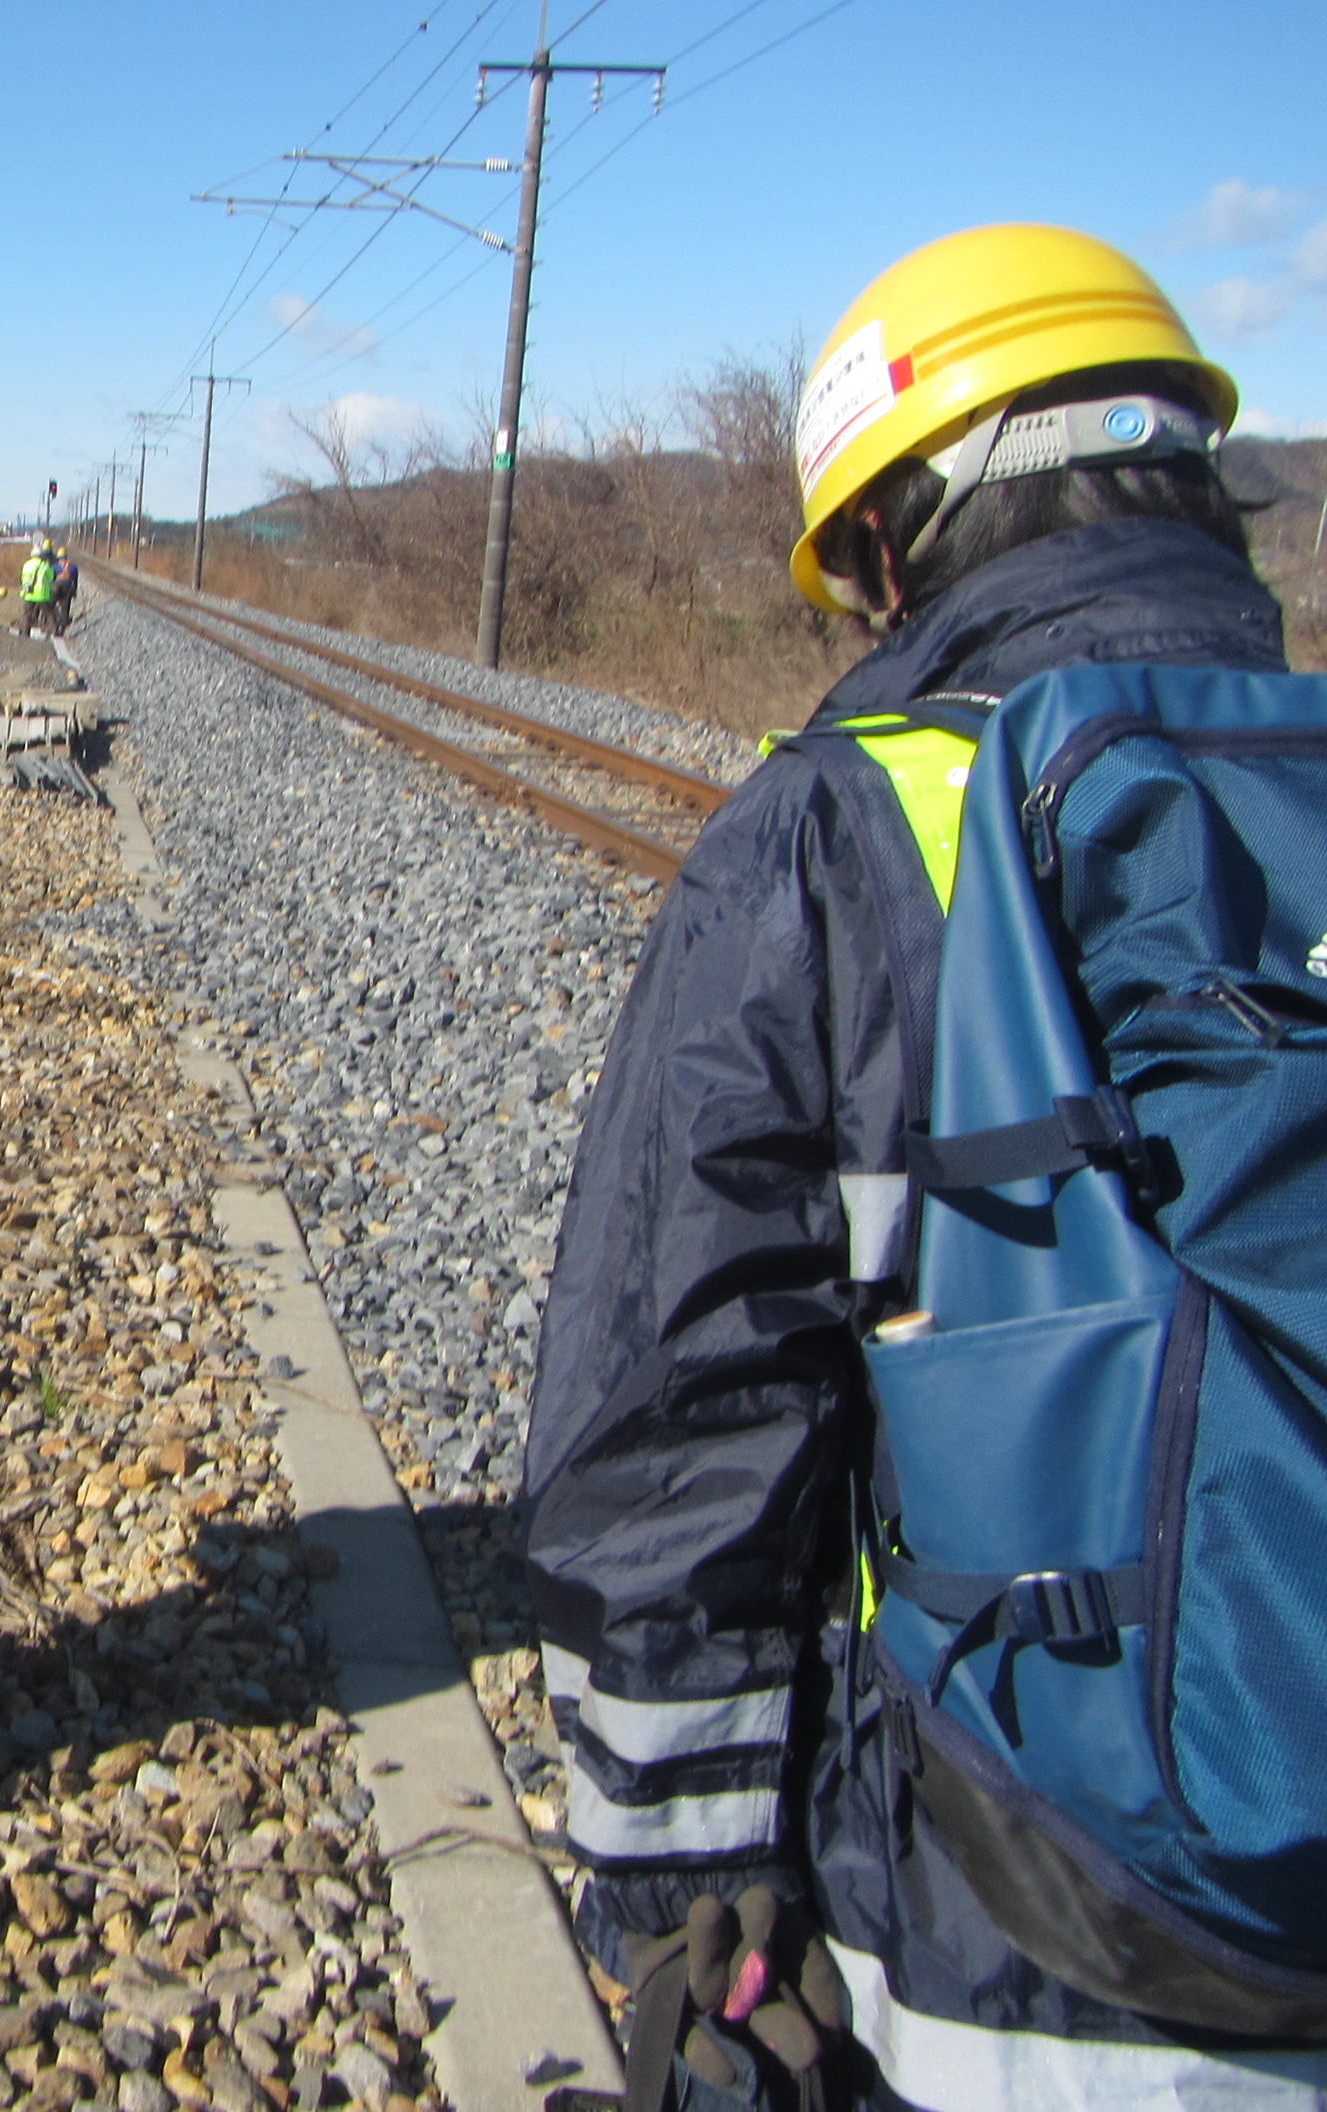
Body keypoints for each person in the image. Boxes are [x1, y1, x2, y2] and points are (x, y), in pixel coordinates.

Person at [525, 224, 1325, 2107]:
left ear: (898, 538)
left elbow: (682, 1401)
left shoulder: (845, 824)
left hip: (1025, 1898)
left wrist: (686, 1893)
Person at [20, 537, 56, 636]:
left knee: (26, 614)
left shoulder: (26, 565)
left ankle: (25, 633)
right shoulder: (44, 565)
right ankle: (54, 631)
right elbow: (51, 577)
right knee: (48, 613)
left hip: (29, 593)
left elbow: (22, 578)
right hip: (42, 594)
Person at [52, 546, 80, 636]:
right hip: (68, 587)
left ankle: (55, 624)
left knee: (50, 605)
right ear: (66, 556)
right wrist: (74, 592)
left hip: (57, 587)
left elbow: (51, 579)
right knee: (65, 607)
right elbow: (75, 581)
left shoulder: (55, 567)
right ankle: (62, 630)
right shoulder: (73, 567)